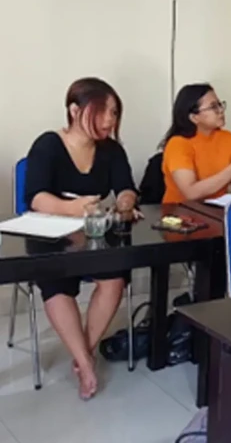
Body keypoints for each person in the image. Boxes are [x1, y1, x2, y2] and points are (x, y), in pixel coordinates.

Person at [24, 77, 138, 400]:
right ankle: (87, 364)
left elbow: (126, 188)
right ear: (75, 111)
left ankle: (82, 353)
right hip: (50, 236)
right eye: (102, 112)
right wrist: (72, 208)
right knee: (56, 283)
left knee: (114, 278)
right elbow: (35, 197)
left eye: (114, 113)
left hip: (94, 235)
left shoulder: (111, 150)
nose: (109, 120)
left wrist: (125, 203)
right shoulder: (48, 145)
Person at [161, 83, 231, 203]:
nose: (221, 110)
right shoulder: (178, 144)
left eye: (220, 105)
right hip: (180, 211)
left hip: (217, 209)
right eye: (213, 107)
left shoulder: (229, 138)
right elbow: (191, 192)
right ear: (194, 117)